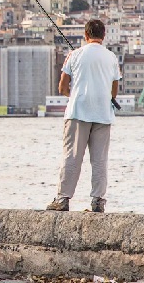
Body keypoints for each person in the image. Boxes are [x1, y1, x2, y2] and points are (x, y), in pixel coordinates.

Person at [46, 19, 121, 213]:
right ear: (103, 36)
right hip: (103, 114)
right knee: (99, 160)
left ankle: (63, 200)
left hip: (78, 112)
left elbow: (62, 87)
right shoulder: (112, 57)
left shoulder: (74, 55)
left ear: (85, 36)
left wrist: (75, 97)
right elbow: (114, 90)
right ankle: (98, 202)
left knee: (72, 157)